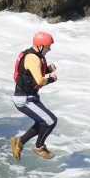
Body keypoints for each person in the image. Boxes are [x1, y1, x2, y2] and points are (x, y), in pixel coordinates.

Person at [10, 32, 58, 160]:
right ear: (41, 46)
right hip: (24, 100)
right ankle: (39, 147)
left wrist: (47, 69)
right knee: (50, 121)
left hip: (31, 97)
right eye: (48, 46)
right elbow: (40, 81)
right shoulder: (33, 58)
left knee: (42, 122)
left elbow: (29, 73)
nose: (50, 49)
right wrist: (52, 78)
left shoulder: (34, 55)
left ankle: (19, 142)